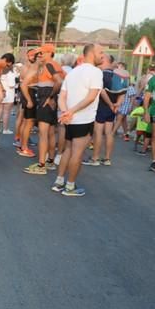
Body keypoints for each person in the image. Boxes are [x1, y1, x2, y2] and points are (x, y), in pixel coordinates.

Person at [51, 43, 105, 197]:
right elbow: (91, 97)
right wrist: (70, 112)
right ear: (90, 54)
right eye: (100, 52)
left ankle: (59, 182)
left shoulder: (73, 72)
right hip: (83, 119)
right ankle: (70, 187)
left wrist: (65, 112)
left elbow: (62, 97)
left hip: (70, 120)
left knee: (67, 150)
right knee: (77, 153)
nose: (103, 56)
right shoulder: (95, 72)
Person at [24, 45, 63, 174]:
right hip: (48, 99)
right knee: (50, 132)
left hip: (46, 100)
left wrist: (50, 97)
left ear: (49, 53)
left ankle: (41, 165)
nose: (39, 55)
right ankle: (50, 161)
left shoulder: (49, 65)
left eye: (41, 53)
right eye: (38, 53)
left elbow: (59, 81)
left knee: (43, 133)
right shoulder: (51, 65)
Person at [85, 55, 126, 167]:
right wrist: (117, 104)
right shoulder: (118, 75)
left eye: (103, 57)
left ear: (106, 61)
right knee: (109, 133)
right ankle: (107, 158)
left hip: (102, 106)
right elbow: (122, 92)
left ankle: (95, 158)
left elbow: (101, 91)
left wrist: (109, 104)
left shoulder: (100, 74)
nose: (100, 58)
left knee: (98, 132)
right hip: (112, 108)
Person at [17, 48, 40, 157]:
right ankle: (24, 147)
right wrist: (29, 100)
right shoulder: (32, 68)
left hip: (28, 93)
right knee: (29, 122)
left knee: (26, 121)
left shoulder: (28, 67)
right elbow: (24, 83)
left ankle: (22, 144)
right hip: (29, 93)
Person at [0, 53, 17, 134]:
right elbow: (12, 85)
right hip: (9, 94)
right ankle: (5, 129)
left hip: (0, 92)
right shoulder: (10, 72)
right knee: (6, 112)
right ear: (11, 62)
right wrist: (17, 84)